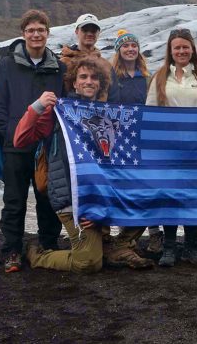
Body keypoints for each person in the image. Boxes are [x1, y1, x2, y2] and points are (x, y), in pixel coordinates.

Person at [13, 57, 152, 272]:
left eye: (94, 78)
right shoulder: (58, 113)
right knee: (87, 263)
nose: (89, 81)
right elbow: (20, 140)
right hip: (72, 199)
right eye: (83, 77)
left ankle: (119, 246)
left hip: (102, 195)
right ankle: (38, 255)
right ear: (74, 82)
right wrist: (37, 106)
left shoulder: (109, 113)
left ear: (101, 84)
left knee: (150, 197)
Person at [0, 10, 65, 273]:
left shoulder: (58, 67)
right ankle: (12, 249)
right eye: (31, 30)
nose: (36, 34)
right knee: (14, 199)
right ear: (23, 34)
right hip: (16, 145)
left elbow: (64, 105)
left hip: (46, 147)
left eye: (41, 30)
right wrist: (11, 133)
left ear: (47, 33)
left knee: (47, 197)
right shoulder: (6, 65)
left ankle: (48, 244)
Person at [146, 28, 197, 267]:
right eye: (177, 47)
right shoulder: (160, 77)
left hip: (196, 150)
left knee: (194, 196)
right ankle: (168, 247)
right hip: (169, 150)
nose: (181, 51)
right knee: (170, 196)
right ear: (170, 50)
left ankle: (192, 247)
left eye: (185, 47)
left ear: (192, 49)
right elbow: (150, 112)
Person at [109, 29, 164, 254]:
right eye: (125, 46)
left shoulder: (147, 77)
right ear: (119, 50)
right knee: (126, 185)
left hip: (144, 139)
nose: (130, 49)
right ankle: (126, 236)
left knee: (148, 184)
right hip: (121, 140)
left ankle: (155, 233)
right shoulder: (112, 77)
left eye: (133, 45)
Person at [60, 13, 121, 102]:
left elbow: (114, 98)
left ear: (98, 33)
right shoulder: (63, 63)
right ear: (76, 31)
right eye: (85, 30)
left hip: (100, 115)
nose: (89, 33)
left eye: (93, 30)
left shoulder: (106, 65)